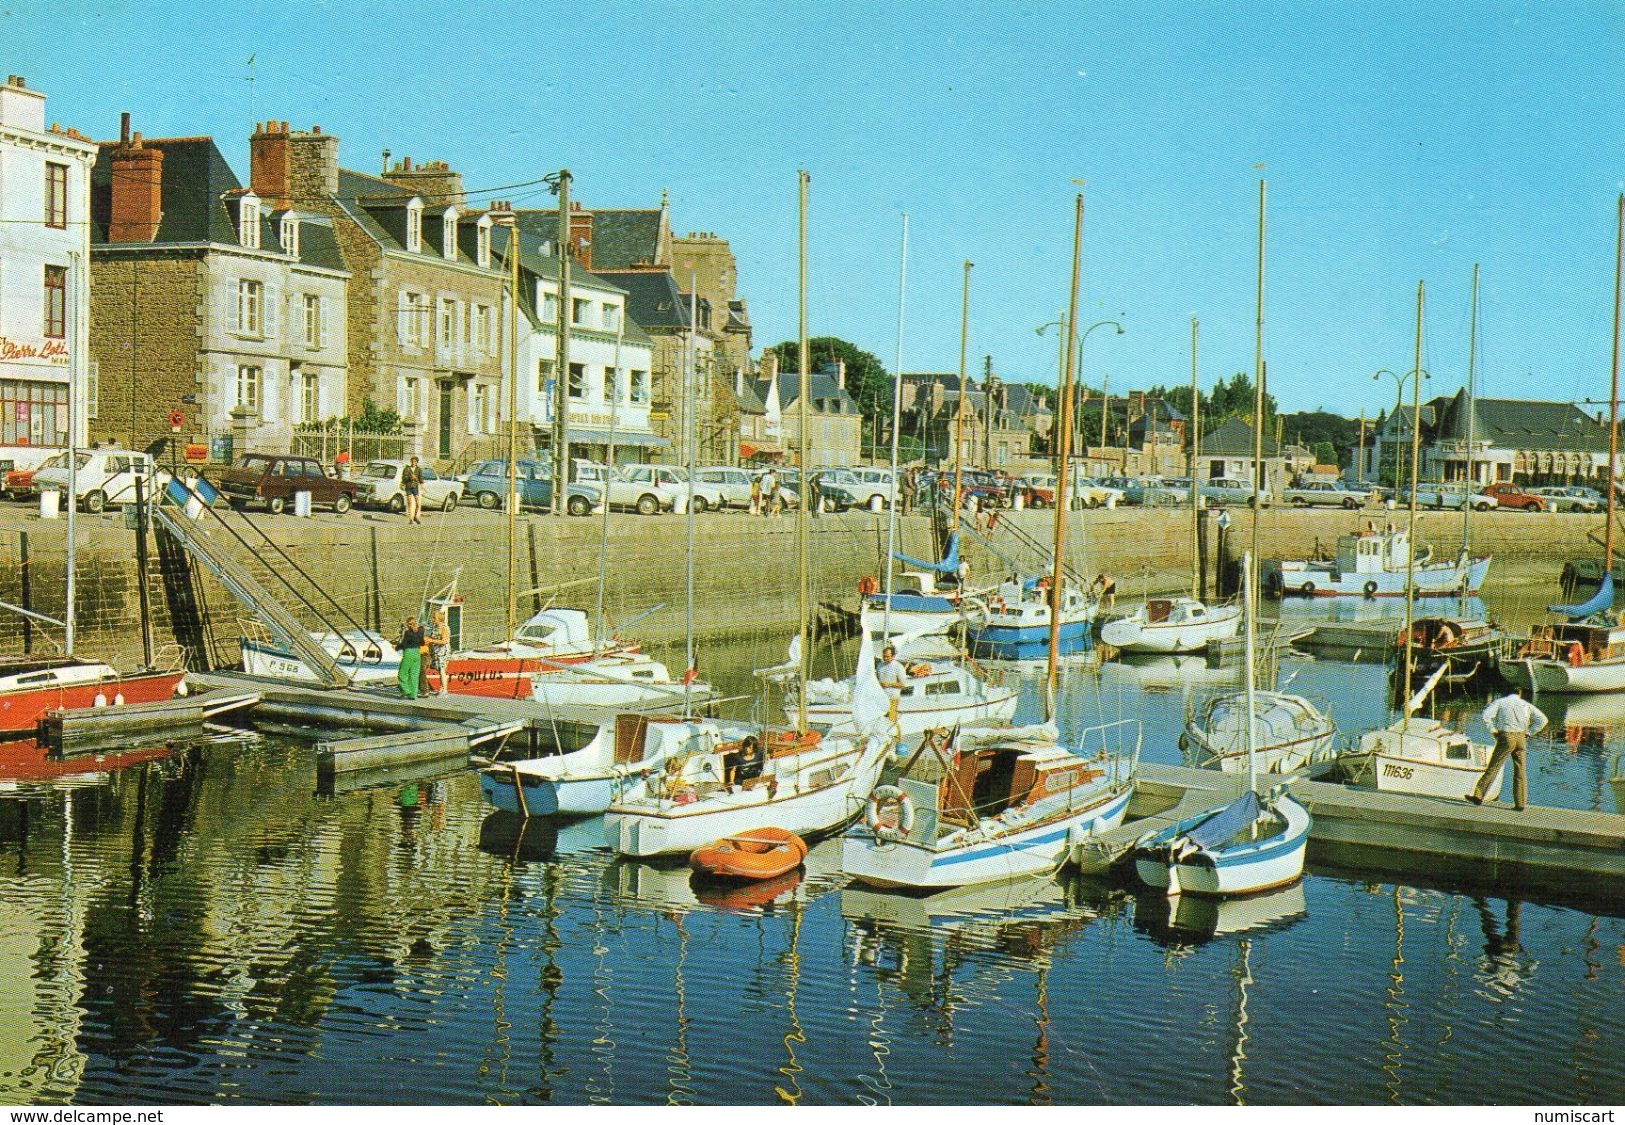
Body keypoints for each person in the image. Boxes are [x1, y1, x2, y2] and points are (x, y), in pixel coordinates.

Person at [1469, 685, 1546, 810]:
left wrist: (1493, 730)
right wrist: (1529, 732)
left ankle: (1478, 795)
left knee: (1494, 766)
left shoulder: (1501, 702)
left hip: (1506, 736)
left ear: (1506, 692)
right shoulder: (1525, 704)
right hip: (1521, 737)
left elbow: (1486, 716)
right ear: (1519, 693)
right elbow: (1542, 720)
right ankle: (1520, 803)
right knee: (1520, 770)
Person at [877, 644, 907, 720]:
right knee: (880, 720)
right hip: (881, 698)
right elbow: (877, 680)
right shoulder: (879, 665)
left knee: (891, 720)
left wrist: (889, 684)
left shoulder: (898, 666)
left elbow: (903, 684)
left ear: (893, 656)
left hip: (892, 698)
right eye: (884, 656)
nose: (885, 658)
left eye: (888, 656)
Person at [398, 615, 425, 699]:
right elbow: (422, 643)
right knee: (414, 675)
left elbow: (404, 644)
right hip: (417, 653)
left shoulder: (407, 633)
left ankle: (406, 691)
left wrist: (396, 647)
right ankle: (413, 695)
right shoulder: (421, 631)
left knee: (402, 673)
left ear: (408, 624)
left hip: (408, 653)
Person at [426, 608, 451, 696]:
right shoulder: (435, 627)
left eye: (434, 618)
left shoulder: (444, 627)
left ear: (439, 619)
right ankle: (441, 688)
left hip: (442, 651)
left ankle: (445, 690)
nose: (432, 619)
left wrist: (431, 640)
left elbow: (444, 641)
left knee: (442, 670)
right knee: (439, 669)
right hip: (436, 651)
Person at [402, 455, 424, 525]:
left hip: (415, 487)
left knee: (417, 503)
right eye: (412, 461)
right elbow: (403, 478)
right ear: (410, 461)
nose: (413, 462)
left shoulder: (419, 469)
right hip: (408, 487)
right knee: (409, 503)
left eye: (415, 461)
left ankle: (415, 516)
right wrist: (409, 477)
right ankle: (410, 519)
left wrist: (420, 483)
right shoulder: (407, 469)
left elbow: (421, 479)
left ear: (417, 462)